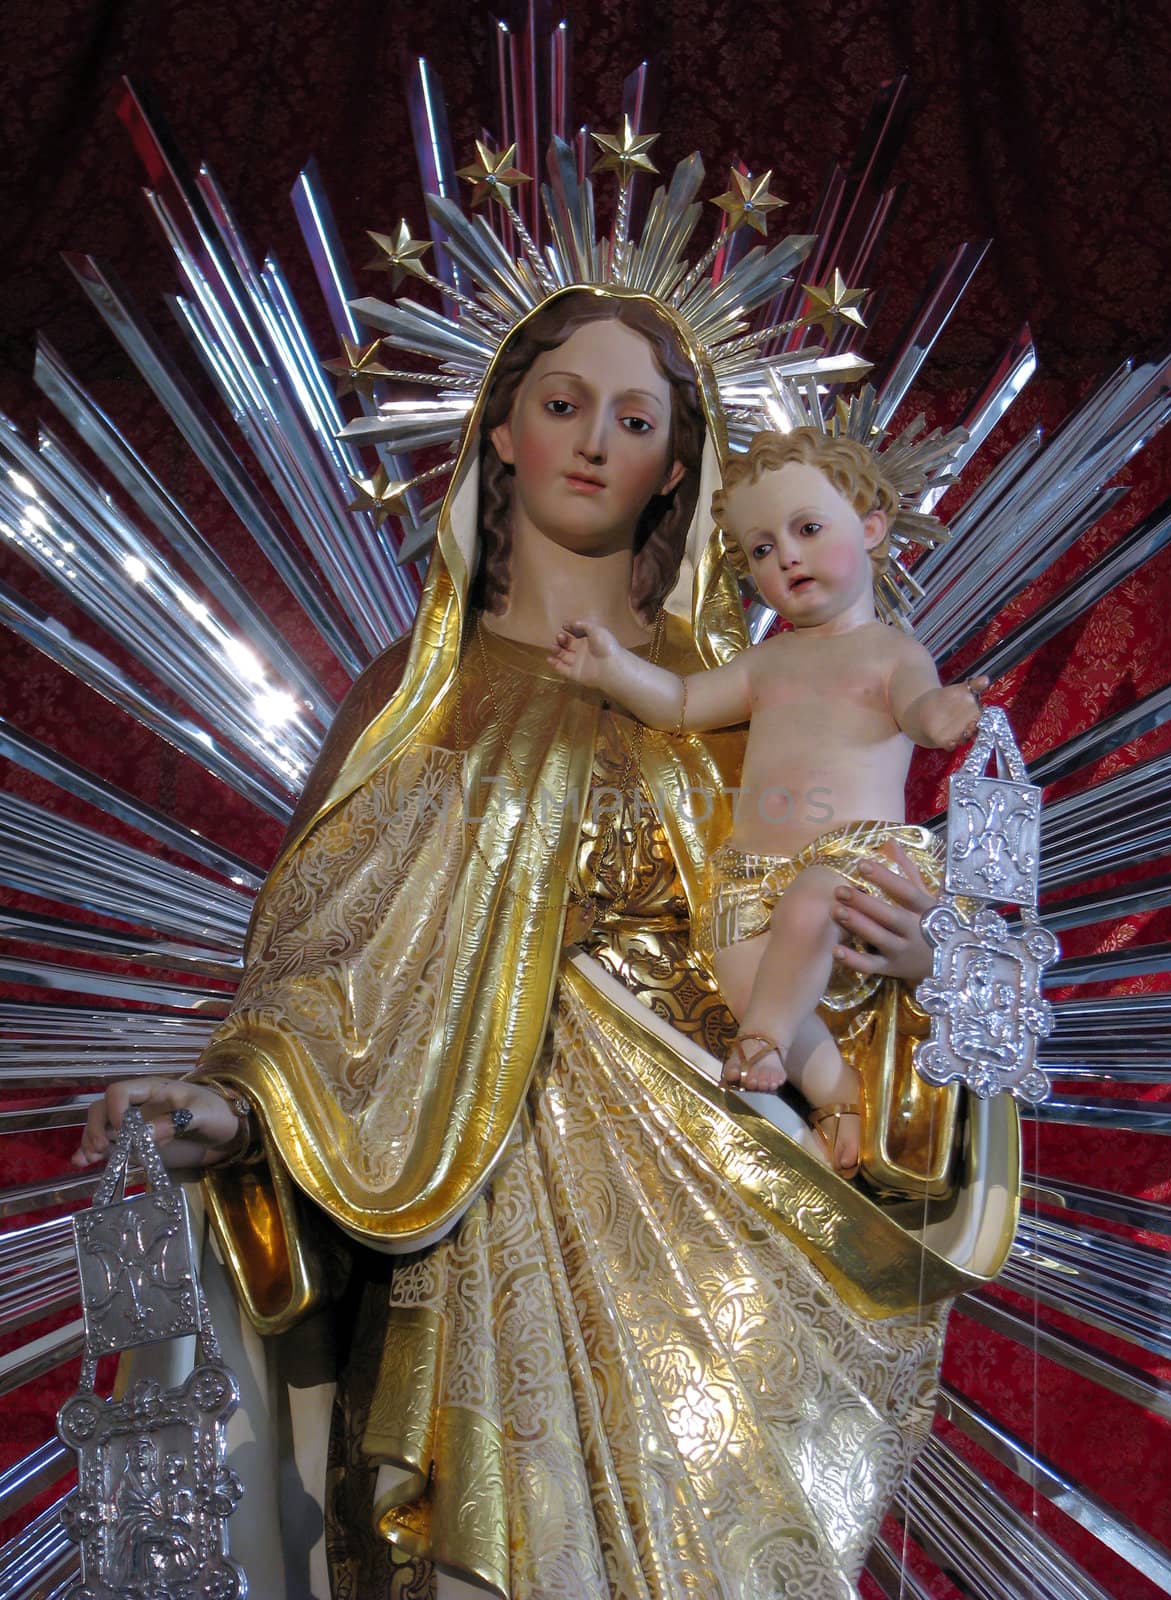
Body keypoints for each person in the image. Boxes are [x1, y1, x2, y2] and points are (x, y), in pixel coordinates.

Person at [73, 288, 1015, 1600]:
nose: (592, 442)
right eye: (563, 405)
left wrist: (914, 974)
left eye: (635, 420)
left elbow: (817, 944)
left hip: (719, 1230)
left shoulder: (745, 702)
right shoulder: (416, 700)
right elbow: (320, 985)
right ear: (501, 429)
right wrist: (234, 1117)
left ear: (677, 467)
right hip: (455, 1225)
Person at [549, 426, 988, 1178]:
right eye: (760, 548)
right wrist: (614, 669)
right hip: (752, 869)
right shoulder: (772, 659)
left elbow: (917, 709)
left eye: (808, 529)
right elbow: (685, 702)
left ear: (873, 528)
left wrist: (941, 716)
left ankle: (763, 1044)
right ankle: (836, 1096)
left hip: (855, 858)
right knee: (738, 967)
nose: (784, 556)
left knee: (814, 907)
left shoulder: (890, 652)